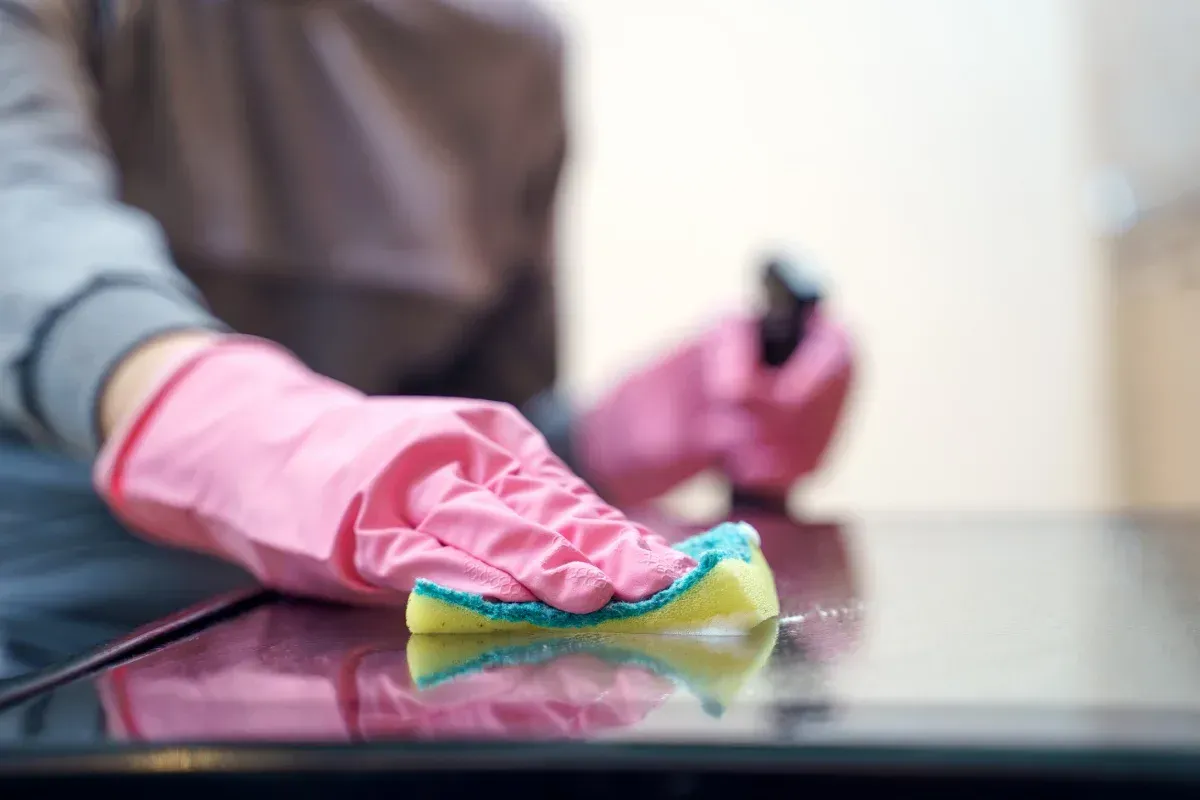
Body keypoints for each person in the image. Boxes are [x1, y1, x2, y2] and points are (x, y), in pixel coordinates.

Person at [0, 0, 854, 654]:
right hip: (47, 638)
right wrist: (213, 410)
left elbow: (468, 436)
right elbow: (23, 204)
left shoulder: (511, 51)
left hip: (347, 663)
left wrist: (609, 440)